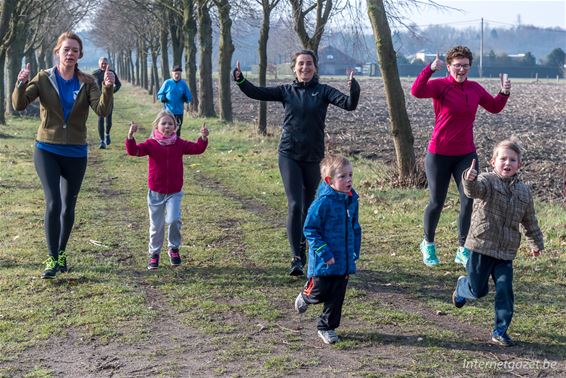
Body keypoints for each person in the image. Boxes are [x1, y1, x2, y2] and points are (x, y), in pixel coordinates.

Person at [233, 50, 360, 276]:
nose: (305, 67)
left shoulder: (323, 91)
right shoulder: (286, 91)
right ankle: (296, 258)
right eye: (301, 64)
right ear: (294, 68)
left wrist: (353, 86)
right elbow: (257, 92)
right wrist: (240, 79)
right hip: (289, 154)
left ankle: (305, 248)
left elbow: (350, 104)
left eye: (309, 64)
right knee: (295, 204)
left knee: (308, 205)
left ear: (315, 67)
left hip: (314, 158)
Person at [12, 31, 114, 279]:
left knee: (69, 206)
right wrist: (20, 83)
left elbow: (102, 110)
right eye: (66, 49)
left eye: (75, 50)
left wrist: (107, 88)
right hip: (47, 148)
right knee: (53, 202)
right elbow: (19, 104)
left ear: (80, 55)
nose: (70, 54)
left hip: (76, 151)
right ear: (57, 51)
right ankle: (51, 258)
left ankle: (61, 251)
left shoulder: (87, 82)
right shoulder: (44, 78)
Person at [411, 45, 512, 268]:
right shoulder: (440, 86)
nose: (461, 69)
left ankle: (462, 249)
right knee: (437, 202)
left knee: (468, 201)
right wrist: (429, 69)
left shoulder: (475, 89)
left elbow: (494, 107)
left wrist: (504, 92)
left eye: (465, 66)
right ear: (449, 67)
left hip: (466, 154)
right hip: (438, 154)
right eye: (457, 65)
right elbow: (416, 91)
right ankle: (428, 244)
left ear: (469, 67)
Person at [452, 139, 543, 347]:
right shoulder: (486, 181)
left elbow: (530, 220)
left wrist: (535, 243)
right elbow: (473, 190)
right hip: (481, 246)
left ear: (519, 165)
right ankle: (461, 287)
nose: (507, 163)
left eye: (512, 160)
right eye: (503, 159)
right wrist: (469, 178)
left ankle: (500, 330)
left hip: (505, 252)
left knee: (505, 290)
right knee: (478, 291)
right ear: (493, 162)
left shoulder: (524, 192)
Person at [125, 110, 208, 270]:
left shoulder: (179, 143)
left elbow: (197, 148)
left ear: (175, 127)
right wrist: (130, 136)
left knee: (174, 220)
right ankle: (154, 254)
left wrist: (203, 138)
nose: (167, 126)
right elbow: (133, 151)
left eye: (170, 124)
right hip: (156, 191)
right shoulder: (151, 144)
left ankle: (173, 248)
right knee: (156, 226)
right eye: (163, 123)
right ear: (157, 126)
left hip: (174, 192)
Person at [294, 155, 361, 345]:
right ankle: (306, 296)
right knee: (320, 292)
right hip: (324, 262)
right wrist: (324, 252)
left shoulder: (351, 201)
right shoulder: (322, 203)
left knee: (337, 295)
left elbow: (355, 227)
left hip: (344, 261)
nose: (349, 180)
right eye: (343, 176)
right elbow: (310, 229)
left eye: (350, 175)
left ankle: (327, 327)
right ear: (329, 180)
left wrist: (354, 250)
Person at [92, 57, 121, 149]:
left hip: (109, 99)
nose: (104, 65)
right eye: (102, 63)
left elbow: (119, 84)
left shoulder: (111, 73)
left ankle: (107, 134)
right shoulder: (95, 74)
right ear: (99, 64)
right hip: (99, 100)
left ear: (108, 64)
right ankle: (102, 141)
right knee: (100, 119)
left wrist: (111, 92)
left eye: (105, 63)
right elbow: (90, 86)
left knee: (109, 120)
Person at [156, 65, 192, 137]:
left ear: (181, 74)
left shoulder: (183, 84)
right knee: (167, 129)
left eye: (178, 74)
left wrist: (186, 98)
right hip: (168, 111)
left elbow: (189, 97)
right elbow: (159, 94)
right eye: (175, 73)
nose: (177, 75)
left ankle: (177, 144)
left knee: (177, 129)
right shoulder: (167, 83)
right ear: (172, 74)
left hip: (179, 112)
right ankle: (165, 143)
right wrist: (162, 97)